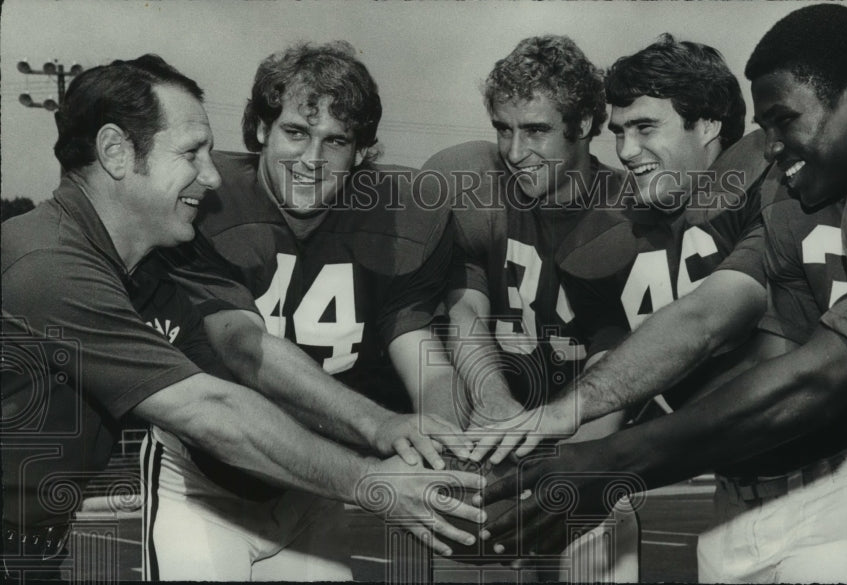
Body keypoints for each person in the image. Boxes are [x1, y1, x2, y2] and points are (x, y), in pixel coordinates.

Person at [479, 4, 847, 579]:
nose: (625, 152)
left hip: (835, 483)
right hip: (741, 496)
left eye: (645, 128)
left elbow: (812, 369)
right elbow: (679, 342)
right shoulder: (759, 199)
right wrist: (562, 428)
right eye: (619, 132)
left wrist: (612, 462)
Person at [0, 54, 485, 584]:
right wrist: (373, 471)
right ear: (116, 152)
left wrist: (410, 432)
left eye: (337, 141)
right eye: (191, 153)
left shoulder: (132, 264)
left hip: (38, 542)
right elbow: (213, 403)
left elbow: (263, 355)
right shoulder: (48, 266)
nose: (211, 175)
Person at [151, 42, 478, 581]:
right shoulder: (207, 202)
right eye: (296, 132)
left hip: (316, 483)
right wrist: (381, 424)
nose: (312, 159)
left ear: (361, 151)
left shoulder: (401, 216)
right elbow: (242, 347)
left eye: (336, 141)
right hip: (205, 482)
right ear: (261, 130)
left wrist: (438, 441)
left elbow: (421, 350)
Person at [422, 35, 639, 581]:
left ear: (585, 123)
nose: (515, 152)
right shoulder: (478, 188)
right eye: (503, 128)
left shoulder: (630, 213)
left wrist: (575, 466)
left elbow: (622, 355)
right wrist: (494, 402)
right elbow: (464, 310)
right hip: (492, 447)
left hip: (588, 447)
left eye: (536, 130)